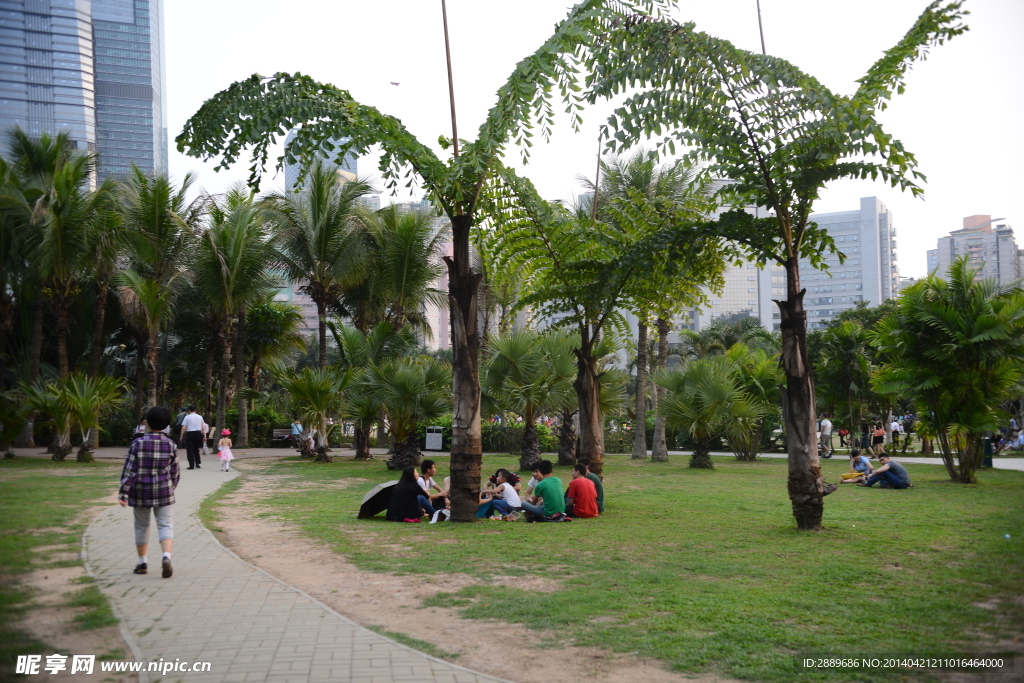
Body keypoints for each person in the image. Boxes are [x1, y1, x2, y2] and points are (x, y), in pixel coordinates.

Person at [119, 406, 179, 579]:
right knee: (165, 524)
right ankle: (166, 557)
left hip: (140, 492)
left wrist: (123, 493)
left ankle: (142, 563)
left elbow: (129, 471)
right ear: (167, 424)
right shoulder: (171, 444)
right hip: (164, 492)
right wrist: (170, 487)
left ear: (147, 423)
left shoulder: (137, 443)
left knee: (141, 526)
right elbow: (175, 472)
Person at [179, 405, 205, 470]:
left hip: (190, 434)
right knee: (196, 448)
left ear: (189, 410)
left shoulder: (187, 417)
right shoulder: (200, 417)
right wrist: (204, 436)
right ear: (195, 410)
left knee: (189, 449)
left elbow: (184, 428)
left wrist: (181, 436)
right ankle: (197, 463)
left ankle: (191, 465)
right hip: (198, 433)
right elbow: (203, 427)